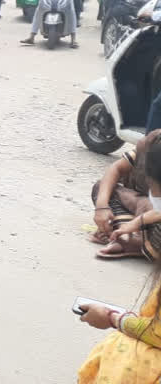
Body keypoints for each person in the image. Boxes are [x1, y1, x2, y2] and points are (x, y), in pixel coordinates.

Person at [77, 138, 161, 382]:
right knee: (104, 190)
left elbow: (156, 333)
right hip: (144, 218)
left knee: (120, 351)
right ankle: (132, 238)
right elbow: (113, 171)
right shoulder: (150, 143)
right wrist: (103, 208)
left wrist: (114, 318)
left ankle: (137, 242)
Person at [89, 130, 161, 259]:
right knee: (101, 188)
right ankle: (125, 236)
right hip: (146, 210)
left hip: (154, 217)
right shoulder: (152, 142)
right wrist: (101, 207)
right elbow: (116, 168)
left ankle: (133, 240)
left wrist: (136, 223)